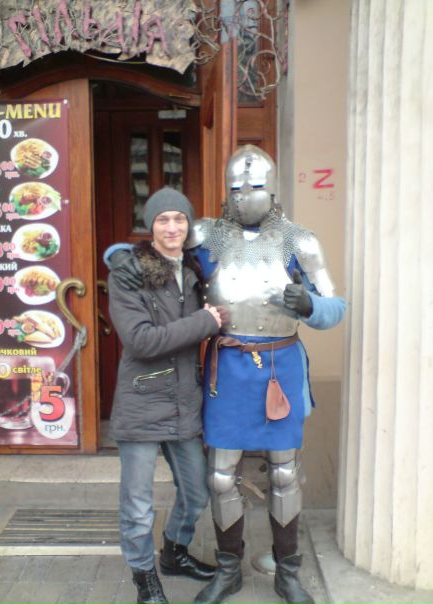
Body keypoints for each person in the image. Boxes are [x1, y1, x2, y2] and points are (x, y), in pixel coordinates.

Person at [105, 146, 346, 604]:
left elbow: (335, 306)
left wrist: (311, 306)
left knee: (285, 474)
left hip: (280, 366)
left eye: (253, 187)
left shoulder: (301, 241)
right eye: (236, 187)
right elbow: (157, 248)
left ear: (272, 189)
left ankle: (288, 574)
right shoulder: (204, 235)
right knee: (219, 477)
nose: (244, 195)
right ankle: (229, 571)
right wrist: (119, 256)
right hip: (228, 370)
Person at [107, 187, 223, 604]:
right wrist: (205, 322)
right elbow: (141, 341)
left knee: (197, 492)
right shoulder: (128, 272)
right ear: (150, 226)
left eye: (179, 219)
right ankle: (144, 577)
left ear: (188, 224)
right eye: (162, 220)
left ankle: (174, 551)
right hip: (141, 400)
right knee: (138, 504)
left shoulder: (194, 270)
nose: (172, 227)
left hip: (184, 400)